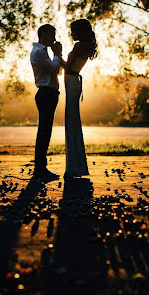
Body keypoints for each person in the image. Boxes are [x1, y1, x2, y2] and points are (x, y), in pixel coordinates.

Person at [63, 19, 97, 178]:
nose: (71, 34)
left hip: (71, 82)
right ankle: (76, 166)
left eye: (73, 31)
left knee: (71, 122)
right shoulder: (85, 46)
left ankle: (73, 167)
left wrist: (57, 54)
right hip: (74, 83)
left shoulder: (78, 46)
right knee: (73, 122)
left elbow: (68, 67)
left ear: (80, 32)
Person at [30, 24, 64, 182]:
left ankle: (40, 167)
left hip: (48, 94)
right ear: (44, 35)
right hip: (46, 94)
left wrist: (55, 55)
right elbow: (55, 70)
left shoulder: (43, 52)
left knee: (45, 131)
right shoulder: (39, 53)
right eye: (52, 35)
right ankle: (40, 169)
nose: (54, 39)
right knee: (44, 131)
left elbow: (56, 70)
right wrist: (58, 53)